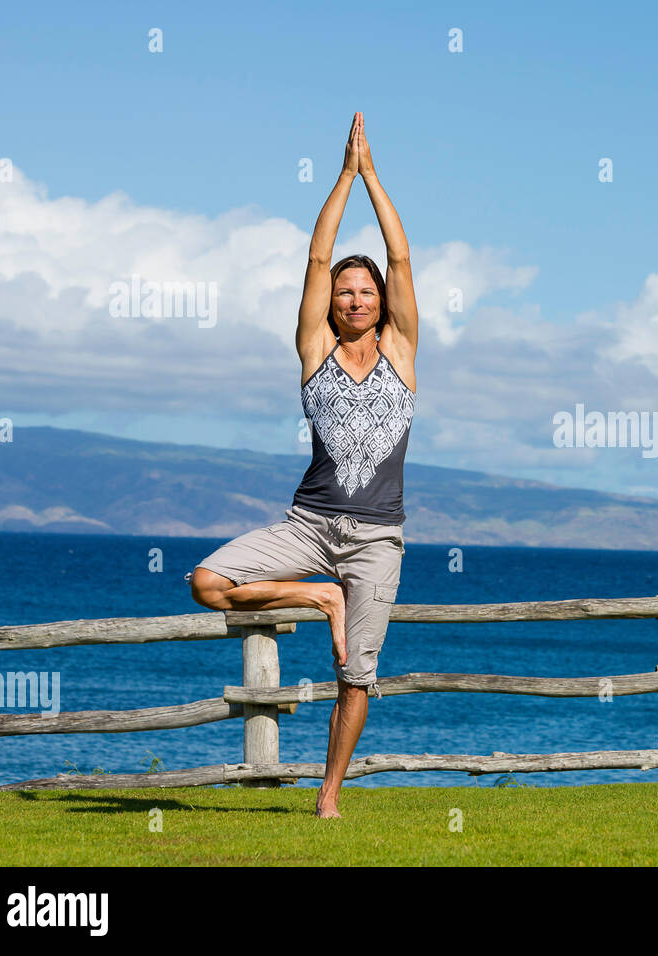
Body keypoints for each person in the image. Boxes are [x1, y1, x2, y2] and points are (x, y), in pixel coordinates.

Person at [189, 112, 418, 818]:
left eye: (365, 290)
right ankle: (320, 598)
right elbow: (316, 261)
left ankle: (328, 797)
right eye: (345, 291)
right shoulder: (314, 353)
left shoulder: (402, 353)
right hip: (309, 524)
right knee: (206, 581)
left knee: (357, 676)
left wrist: (375, 177)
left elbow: (402, 260)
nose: (353, 297)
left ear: (381, 302)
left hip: (376, 536)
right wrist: (343, 175)